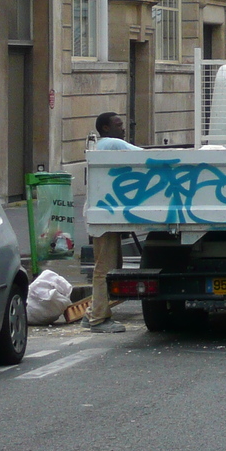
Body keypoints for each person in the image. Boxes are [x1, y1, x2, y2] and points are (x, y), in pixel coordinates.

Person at [84, 111, 139, 332]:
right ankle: (98, 318)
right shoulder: (113, 144)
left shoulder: (101, 145)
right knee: (105, 268)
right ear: (106, 128)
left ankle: (92, 313)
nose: (123, 128)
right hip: (105, 215)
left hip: (102, 213)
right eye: (118, 125)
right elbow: (147, 155)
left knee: (110, 264)